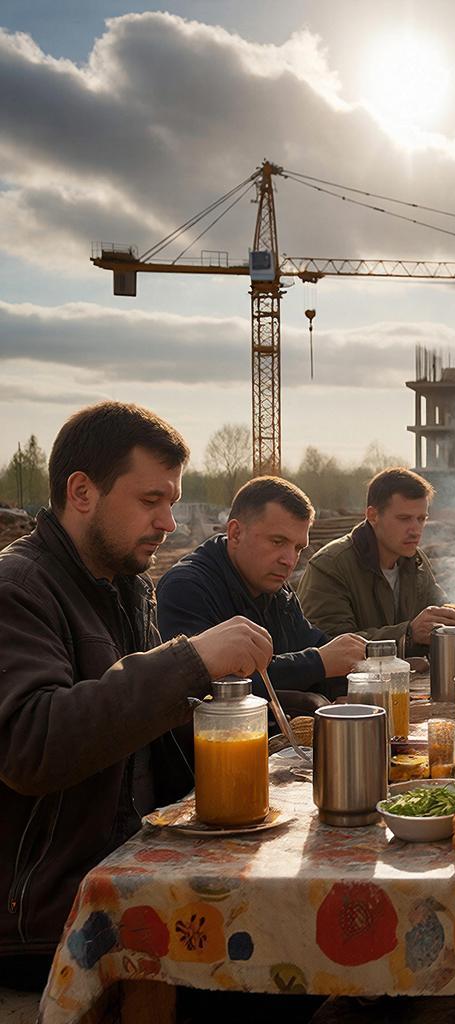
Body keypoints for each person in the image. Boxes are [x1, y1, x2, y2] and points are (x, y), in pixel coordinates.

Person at [0, 402, 273, 991]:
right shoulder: (18, 589)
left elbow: (157, 736)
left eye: (172, 501)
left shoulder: (124, 587)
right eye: (151, 500)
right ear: (81, 492)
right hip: (56, 917)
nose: (169, 521)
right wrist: (192, 659)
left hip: (136, 871)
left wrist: (285, 730)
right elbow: (31, 743)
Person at [157, 476, 366, 704]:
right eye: (278, 541)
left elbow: (316, 647)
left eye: (298, 548)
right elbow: (212, 688)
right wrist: (317, 664)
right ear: (236, 533)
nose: (289, 560)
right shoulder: (186, 588)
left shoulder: (277, 592)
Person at [297, 467, 455, 656]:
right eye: (404, 519)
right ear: (372, 516)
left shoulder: (417, 563)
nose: (415, 530)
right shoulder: (330, 566)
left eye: (421, 519)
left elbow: (437, 618)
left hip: (403, 683)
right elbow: (329, 645)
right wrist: (408, 634)